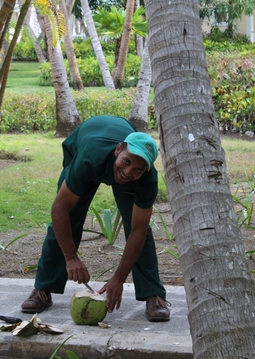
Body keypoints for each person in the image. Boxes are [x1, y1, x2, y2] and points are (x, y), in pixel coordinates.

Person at [21, 115, 170, 322]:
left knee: (140, 229)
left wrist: (118, 278)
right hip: (88, 144)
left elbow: (138, 230)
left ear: (146, 170)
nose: (128, 172)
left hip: (112, 147)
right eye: (126, 162)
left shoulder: (146, 179)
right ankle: (43, 289)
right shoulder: (89, 159)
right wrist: (71, 258)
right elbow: (58, 209)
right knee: (68, 216)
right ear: (118, 150)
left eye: (137, 169)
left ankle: (154, 294)